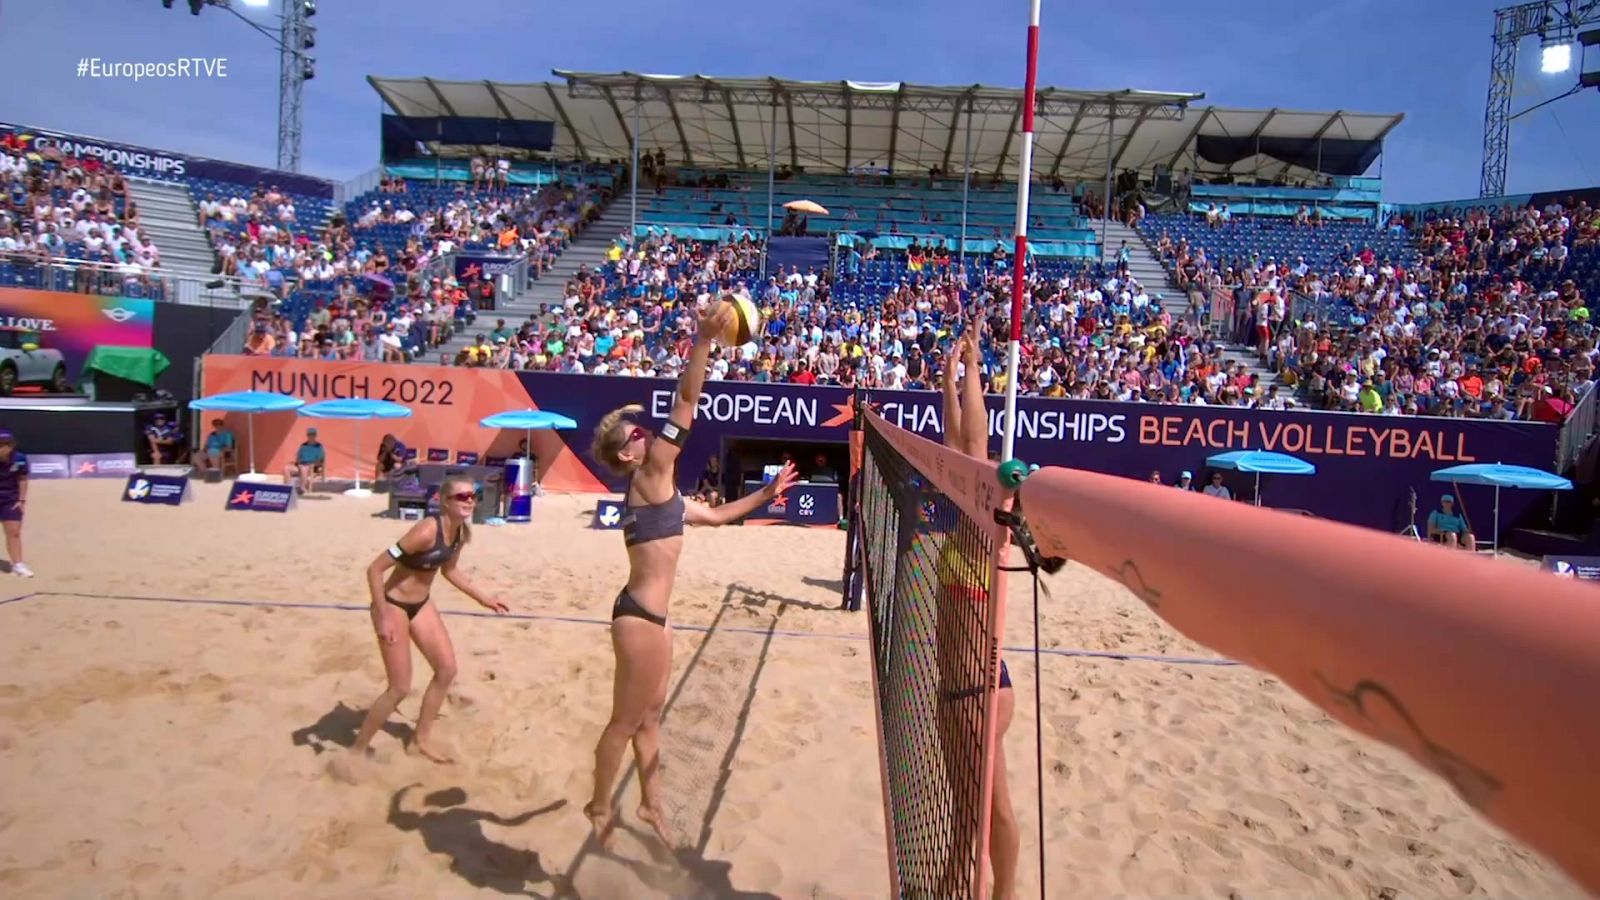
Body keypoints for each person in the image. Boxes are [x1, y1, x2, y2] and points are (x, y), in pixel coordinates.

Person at [583, 301, 798, 848]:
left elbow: (722, 515)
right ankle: (600, 804)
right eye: (635, 435)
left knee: (651, 718)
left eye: (641, 431)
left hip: (653, 619)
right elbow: (685, 401)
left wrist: (768, 494)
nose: (644, 436)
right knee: (625, 722)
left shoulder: (668, 495)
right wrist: (702, 341)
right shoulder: (651, 473)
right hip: (638, 618)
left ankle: (651, 805)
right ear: (628, 456)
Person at [932, 328, 1018, 899]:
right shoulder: (963, 519)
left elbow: (975, 446)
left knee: (973, 819)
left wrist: (974, 372)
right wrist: (951, 377)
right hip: (964, 685)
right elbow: (956, 444)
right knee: (983, 811)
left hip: (978, 690)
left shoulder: (982, 527)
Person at [348, 475, 507, 765]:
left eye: (473, 496)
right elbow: (374, 570)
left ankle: (419, 741)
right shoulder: (424, 531)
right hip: (392, 605)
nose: (469, 501)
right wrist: (382, 616)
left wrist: (484, 597)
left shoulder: (460, 533)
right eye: (462, 496)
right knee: (399, 687)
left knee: (446, 670)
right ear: (444, 501)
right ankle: (357, 750)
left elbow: (450, 571)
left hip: (420, 604)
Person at [0, 431, 32, 578]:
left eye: (7, 444)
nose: (3, 447)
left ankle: (18, 565)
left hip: (10, 500)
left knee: (14, 532)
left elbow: (23, 479)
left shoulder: (20, 459)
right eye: (1, 444)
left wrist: (21, 500)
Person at [285, 427, 326, 494]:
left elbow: (319, 460)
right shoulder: (303, 445)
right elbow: (298, 457)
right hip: (301, 465)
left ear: (315, 435)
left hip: (312, 466)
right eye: (309, 434)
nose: (311, 436)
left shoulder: (318, 446)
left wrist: (311, 464)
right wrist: (298, 463)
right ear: (307, 435)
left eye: (313, 434)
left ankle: (302, 488)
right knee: (286, 468)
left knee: (304, 468)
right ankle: (288, 488)